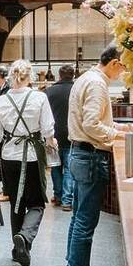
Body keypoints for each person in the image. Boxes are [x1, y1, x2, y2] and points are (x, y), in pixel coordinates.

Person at [63, 45, 129, 266]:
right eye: (123, 66)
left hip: (80, 153)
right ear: (113, 63)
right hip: (90, 154)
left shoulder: (86, 78)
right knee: (85, 219)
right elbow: (92, 123)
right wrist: (116, 133)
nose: (123, 72)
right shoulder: (97, 83)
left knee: (78, 216)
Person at [0, 60, 54, 266]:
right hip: (32, 156)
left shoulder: (0, 101)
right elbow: (48, 130)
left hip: (8, 156)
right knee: (36, 203)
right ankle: (24, 237)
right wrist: (52, 145)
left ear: (10, 78)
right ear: (30, 77)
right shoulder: (40, 98)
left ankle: (17, 250)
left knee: (16, 202)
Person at [45, 64, 76, 211]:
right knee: (69, 169)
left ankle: (57, 196)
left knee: (55, 167)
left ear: (59, 75)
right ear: (73, 75)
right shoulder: (77, 90)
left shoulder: (49, 92)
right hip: (72, 135)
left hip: (53, 135)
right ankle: (67, 200)